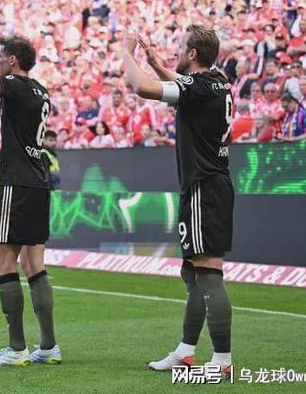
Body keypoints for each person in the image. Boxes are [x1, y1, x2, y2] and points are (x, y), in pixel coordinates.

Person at [123, 25, 234, 376]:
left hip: (204, 186)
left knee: (209, 273)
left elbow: (141, 88)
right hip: (206, 185)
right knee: (192, 273)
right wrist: (156, 62)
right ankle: (186, 351)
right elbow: (181, 83)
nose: (176, 51)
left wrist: (127, 52)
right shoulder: (216, 82)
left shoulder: (198, 87)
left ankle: (223, 360)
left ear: (192, 54)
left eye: (180, 47)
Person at [0, 28, 60, 366]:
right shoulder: (40, 90)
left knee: (3, 262)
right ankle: (48, 346)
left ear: (14, 60)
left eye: (2, 58)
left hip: (16, 184)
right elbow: (10, 78)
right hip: (38, 183)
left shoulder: (15, 86)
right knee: (34, 264)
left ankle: (16, 348)